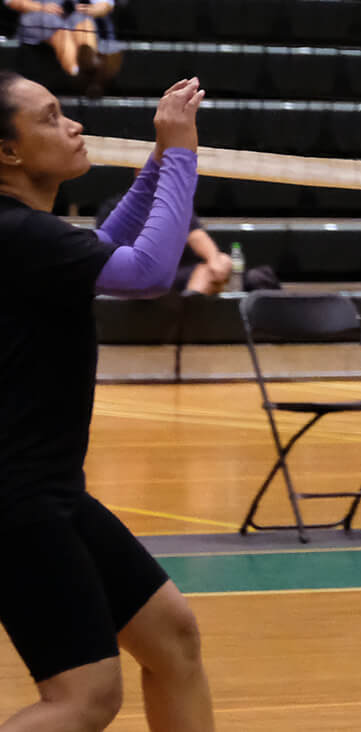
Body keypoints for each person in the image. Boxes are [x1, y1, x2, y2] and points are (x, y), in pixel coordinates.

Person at [0, 75, 214, 732]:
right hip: (16, 502)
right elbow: (145, 272)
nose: (73, 127)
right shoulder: (18, 234)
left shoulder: (30, 232)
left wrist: (155, 164)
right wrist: (180, 154)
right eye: (50, 117)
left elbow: (106, 250)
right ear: (7, 152)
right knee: (86, 698)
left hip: (53, 491)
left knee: (171, 638)